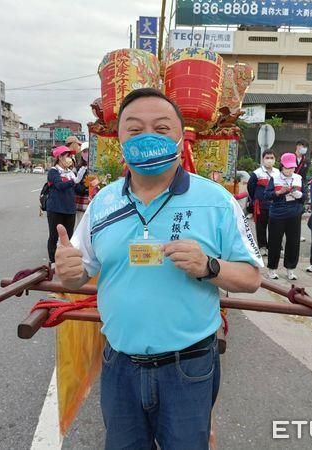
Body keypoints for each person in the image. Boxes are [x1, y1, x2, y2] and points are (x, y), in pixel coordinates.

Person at [55, 88, 263, 449]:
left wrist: (209, 266)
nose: (147, 137)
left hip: (188, 368)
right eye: (134, 130)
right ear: (118, 139)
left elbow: (251, 278)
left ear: (181, 138)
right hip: (119, 366)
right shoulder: (103, 203)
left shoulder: (216, 201)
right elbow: (78, 275)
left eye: (161, 128)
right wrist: (68, 269)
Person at [264, 152, 305, 280]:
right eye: (287, 167)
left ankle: (290, 269)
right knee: (274, 242)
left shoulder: (298, 178)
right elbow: (266, 195)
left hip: (294, 214)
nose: (290, 170)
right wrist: (279, 192)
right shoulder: (275, 178)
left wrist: (298, 194)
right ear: (282, 166)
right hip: (277, 214)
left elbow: (305, 197)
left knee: (293, 242)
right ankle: (272, 269)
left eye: (292, 167)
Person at [46, 145, 80, 264]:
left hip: (70, 209)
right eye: (67, 156)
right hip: (56, 209)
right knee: (54, 236)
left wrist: (90, 183)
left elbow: (78, 189)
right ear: (60, 157)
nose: (70, 158)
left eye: (71, 156)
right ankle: (53, 261)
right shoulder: (53, 172)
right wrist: (74, 181)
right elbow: (60, 186)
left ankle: (64, 259)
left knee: (68, 236)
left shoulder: (71, 172)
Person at [247, 150, 280, 256]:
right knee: (261, 227)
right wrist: (255, 198)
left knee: (274, 227)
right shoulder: (257, 173)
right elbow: (250, 187)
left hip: (274, 204)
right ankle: (262, 247)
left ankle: (273, 247)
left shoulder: (278, 173)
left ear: (275, 159)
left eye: (272, 158)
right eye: (267, 158)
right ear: (263, 159)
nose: (269, 160)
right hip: (260, 204)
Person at [74, 142, 90, 222]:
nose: (87, 153)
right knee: (81, 225)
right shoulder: (78, 168)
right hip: (82, 200)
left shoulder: (97, 168)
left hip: (94, 200)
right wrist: (85, 186)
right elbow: (75, 186)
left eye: (88, 151)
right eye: (84, 151)